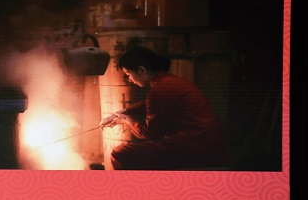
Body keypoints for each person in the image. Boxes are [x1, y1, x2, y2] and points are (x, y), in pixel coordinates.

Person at [98, 46, 230, 170]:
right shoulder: (170, 81)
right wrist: (120, 112)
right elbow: (148, 103)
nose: (129, 79)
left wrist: (126, 120)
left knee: (120, 153)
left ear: (142, 70)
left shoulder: (160, 90)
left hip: (193, 146)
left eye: (128, 74)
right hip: (206, 143)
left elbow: (149, 133)